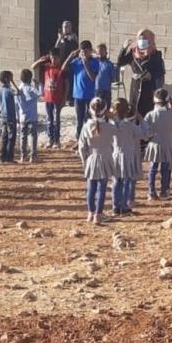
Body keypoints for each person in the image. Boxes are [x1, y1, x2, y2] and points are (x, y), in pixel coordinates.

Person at [78, 97, 116, 226]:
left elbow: (81, 147)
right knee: (102, 188)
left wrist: (85, 161)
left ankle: (90, 213)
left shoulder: (86, 126)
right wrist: (111, 117)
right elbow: (118, 133)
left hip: (91, 158)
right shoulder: (110, 127)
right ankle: (98, 214)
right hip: (105, 158)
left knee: (91, 188)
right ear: (105, 111)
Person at [117, 29, 166, 120]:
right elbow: (120, 62)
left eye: (144, 39)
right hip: (135, 87)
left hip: (148, 88)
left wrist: (150, 75)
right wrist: (123, 49)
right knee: (133, 111)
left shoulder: (155, 55)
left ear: (150, 40)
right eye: (140, 38)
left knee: (146, 113)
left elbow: (160, 72)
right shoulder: (133, 53)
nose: (141, 41)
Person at [111, 98, 144, 216]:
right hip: (127, 156)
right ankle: (124, 206)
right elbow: (145, 134)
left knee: (116, 181)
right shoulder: (130, 126)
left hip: (115, 155)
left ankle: (115, 206)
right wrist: (141, 119)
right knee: (126, 181)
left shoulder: (112, 125)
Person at [63, 40, 99, 139]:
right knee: (79, 120)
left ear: (90, 51)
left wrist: (86, 63)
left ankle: (89, 140)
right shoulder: (76, 62)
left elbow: (92, 77)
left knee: (88, 119)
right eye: (82, 52)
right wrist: (70, 56)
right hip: (78, 96)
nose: (83, 54)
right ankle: (79, 140)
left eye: (86, 51)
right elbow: (63, 69)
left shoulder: (95, 62)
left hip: (89, 95)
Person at [32, 48, 65, 149]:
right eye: (51, 58)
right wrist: (40, 60)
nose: (53, 60)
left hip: (58, 98)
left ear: (59, 58)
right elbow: (33, 67)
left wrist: (64, 98)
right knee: (49, 120)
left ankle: (57, 140)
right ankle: (50, 139)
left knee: (56, 119)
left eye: (55, 58)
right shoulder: (47, 67)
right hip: (48, 98)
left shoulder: (61, 69)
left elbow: (66, 84)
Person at [143, 88, 172, 200]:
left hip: (154, 144)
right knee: (165, 169)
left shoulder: (150, 115)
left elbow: (146, 131)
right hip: (167, 144)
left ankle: (151, 192)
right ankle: (164, 191)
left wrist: (149, 137)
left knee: (152, 168)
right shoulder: (171, 114)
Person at [15, 68, 43, 163]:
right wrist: (39, 84)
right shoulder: (31, 89)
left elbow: (16, 105)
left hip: (22, 116)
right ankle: (33, 156)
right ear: (30, 79)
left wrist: (17, 117)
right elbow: (40, 93)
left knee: (23, 136)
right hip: (32, 117)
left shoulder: (18, 89)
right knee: (33, 136)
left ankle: (23, 156)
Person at [0, 70, 19, 163]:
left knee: (4, 138)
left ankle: (3, 158)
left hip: (3, 116)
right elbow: (18, 92)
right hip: (11, 117)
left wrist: (0, 112)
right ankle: (9, 158)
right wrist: (13, 82)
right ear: (7, 79)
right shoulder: (9, 90)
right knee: (11, 138)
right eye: (11, 77)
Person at [55, 20, 78, 108]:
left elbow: (75, 47)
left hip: (70, 64)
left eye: (67, 26)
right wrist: (59, 38)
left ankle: (71, 99)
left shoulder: (73, 37)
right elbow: (56, 48)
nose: (65, 28)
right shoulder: (60, 38)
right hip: (61, 64)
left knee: (70, 82)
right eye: (64, 27)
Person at [95, 43, 117, 110]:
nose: (100, 54)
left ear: (105, 52)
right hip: (96, 89)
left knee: (106, 108)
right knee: (97, 108)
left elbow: (113, 78)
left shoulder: (109, 64)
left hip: (106, 90)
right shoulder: (94, 62)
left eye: (102, 52)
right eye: (98, 52)